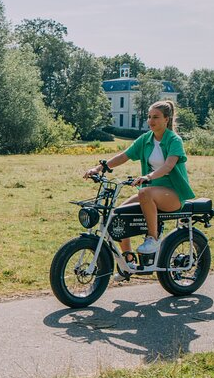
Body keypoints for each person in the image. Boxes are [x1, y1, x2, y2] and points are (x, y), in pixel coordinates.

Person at [83, 100, 195, 274]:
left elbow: (168, 166)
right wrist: (98, 168)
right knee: (117, 216)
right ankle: (128, 262)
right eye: (149, 117)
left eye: (156, 117)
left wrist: (148, 177)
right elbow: (123, 156)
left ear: (166, 119)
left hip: (173, 194)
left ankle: (153, 238)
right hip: (151, 193)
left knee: (145, 192)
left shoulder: (174, 140)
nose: (151, 121)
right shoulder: (146, 139)